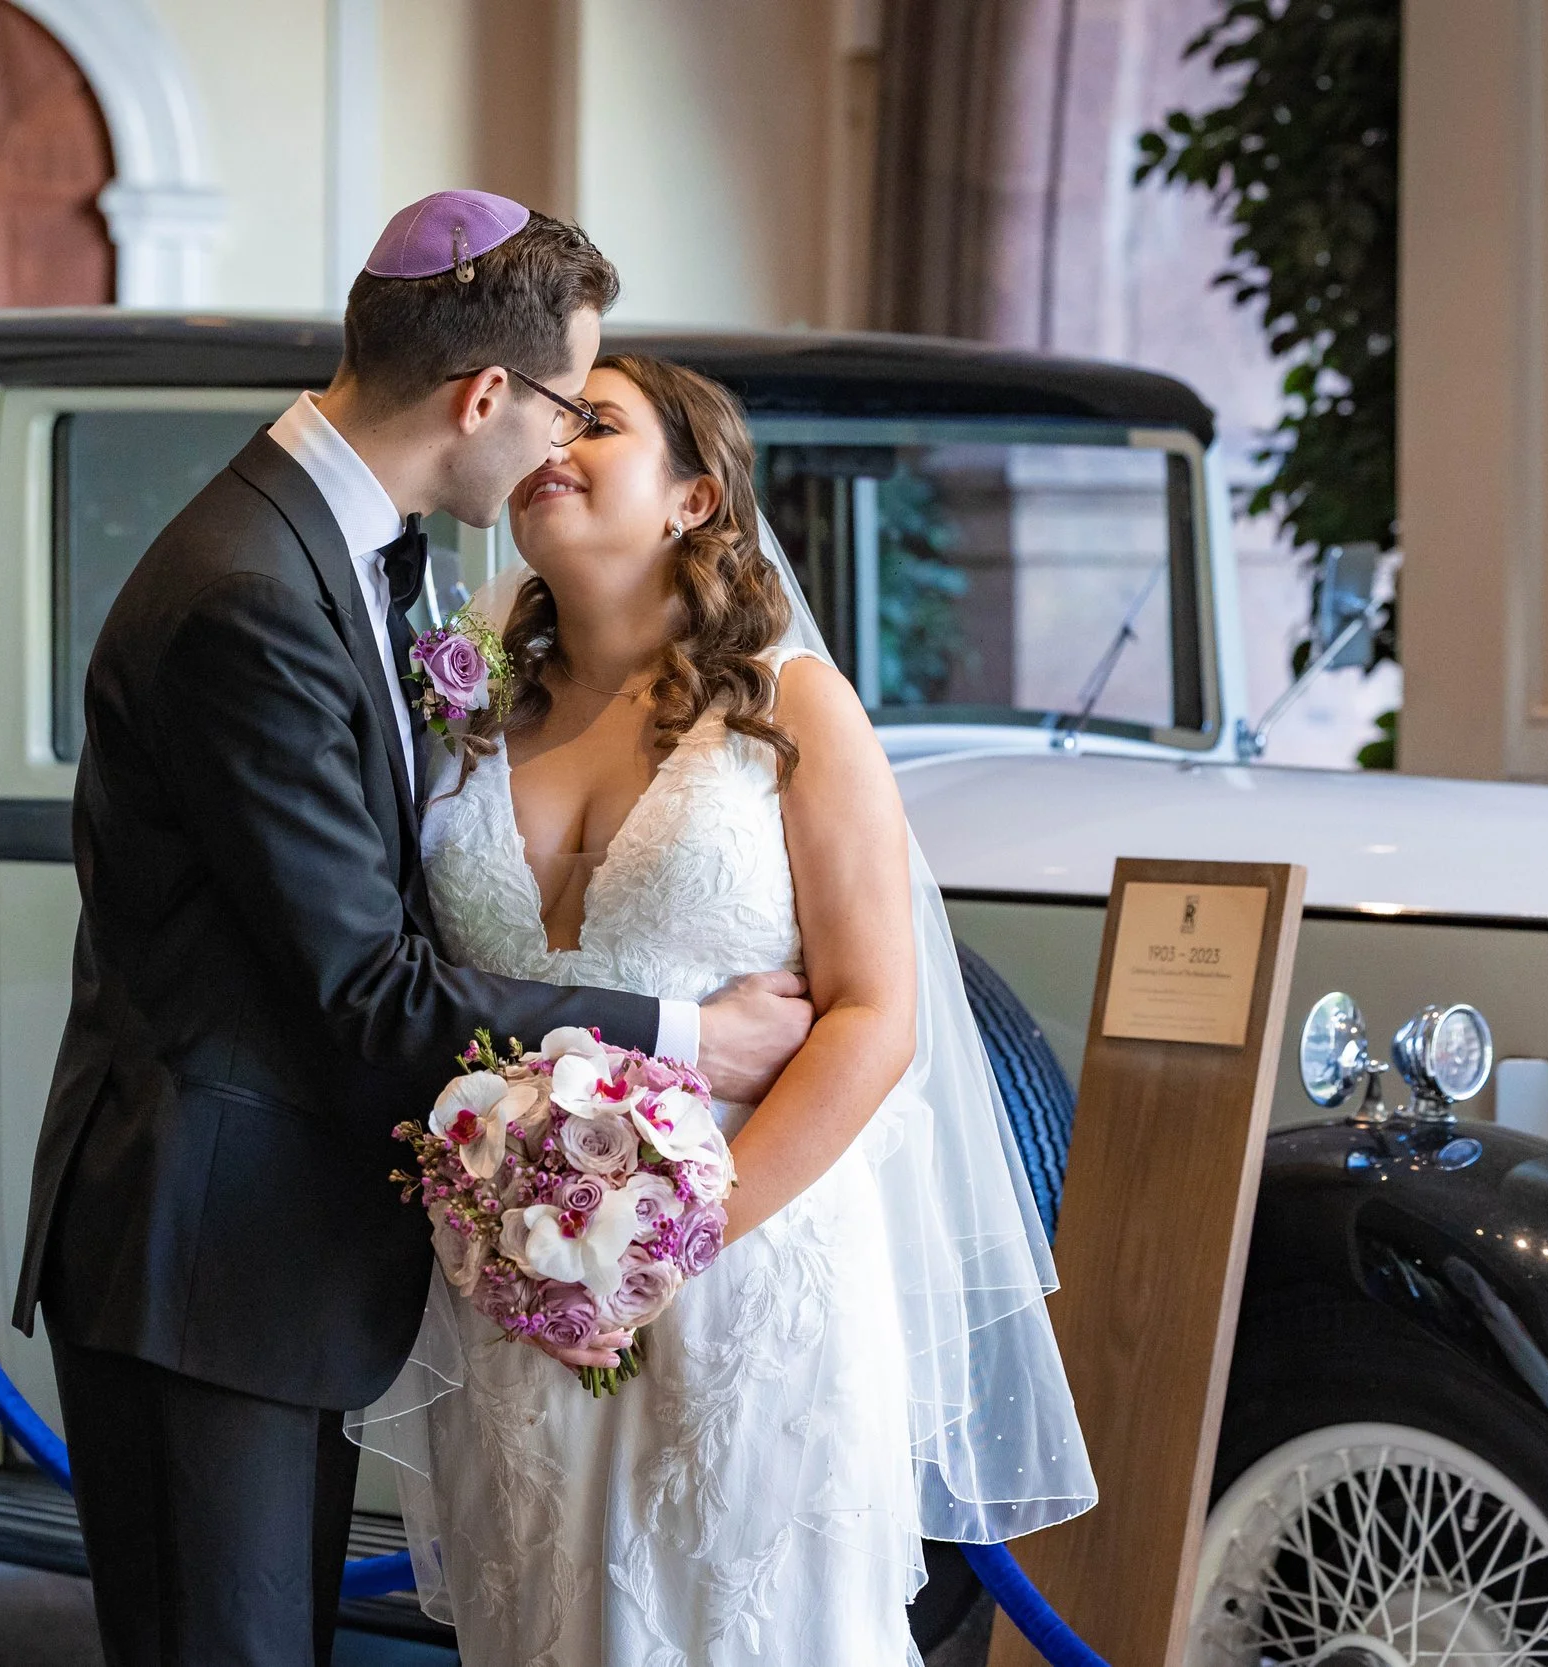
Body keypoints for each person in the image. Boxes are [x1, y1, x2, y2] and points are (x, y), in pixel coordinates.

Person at [10, 193, 816, 1667]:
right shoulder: (248, 594)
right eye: (568, 402)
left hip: (268, 1252)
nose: (560, 443)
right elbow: (370, 991)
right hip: (206, 1254)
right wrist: (691, 1038)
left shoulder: (339, 550)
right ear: (485, 394)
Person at [352, 354, 1097, 1665]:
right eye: (545, 416)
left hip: (750, 1276)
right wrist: (545, 1236)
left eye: (597, 422)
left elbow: (874, 1014)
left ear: (694, 498)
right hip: (524, 1281)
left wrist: (671, 1240)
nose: (553, 441)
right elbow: (415, 980)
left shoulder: (796, 708)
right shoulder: (461, 719)